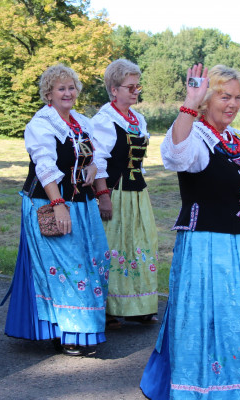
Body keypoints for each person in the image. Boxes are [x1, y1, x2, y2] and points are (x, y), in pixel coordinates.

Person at [139, 64, 240, 400]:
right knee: (210, 317)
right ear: (207, 99)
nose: (233, 104)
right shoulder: (196, 136)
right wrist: (189, 103)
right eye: (224, 96)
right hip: (206, 245)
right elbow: (176, 156)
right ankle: (207, 387)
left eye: (237, 98)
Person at [3, 64, 110, 356]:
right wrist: (58, 204)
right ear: (48, 93)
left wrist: (93, 170)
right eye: (61, 88)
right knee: (67, 266)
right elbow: (45, 166)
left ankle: (80, 326)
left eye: (71, 87)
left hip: (82, 204)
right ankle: (69, 332)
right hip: (50, 202)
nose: (67, 93)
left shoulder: (82, 122)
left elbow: (94, 156)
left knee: (94, 261)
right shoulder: (42, 124)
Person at [90, 59, 158, 329]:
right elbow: (97, 160)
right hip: (114, 191)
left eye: (137, 86)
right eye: (130, 87)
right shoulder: (104, 121)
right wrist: (103, 195)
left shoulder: (137, 119)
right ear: (113, 89)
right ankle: (108, 308)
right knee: (113, 247)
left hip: (137, 192)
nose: (135, 91)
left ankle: (137, 306)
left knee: (139, 245)